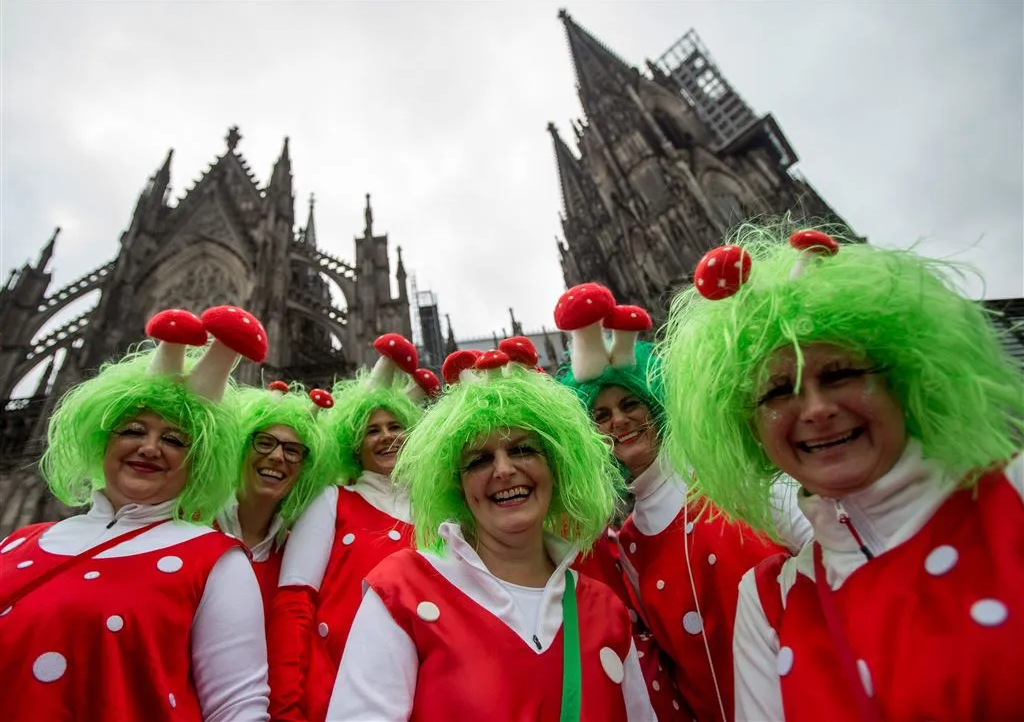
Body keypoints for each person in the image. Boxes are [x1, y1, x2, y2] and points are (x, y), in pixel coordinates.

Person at [660, 227, 1024, 721]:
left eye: (839, 374)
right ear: (751, 428)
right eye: (778, 391)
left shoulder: (1013, 498)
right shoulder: (770, 605)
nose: (816, 409)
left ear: (899, 377)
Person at [327, 349, 656, 720]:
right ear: (456, 486)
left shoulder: (604, 609)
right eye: (479, 459)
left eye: (523, 449)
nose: (504, 470)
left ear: (558, 466)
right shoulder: (401, 591)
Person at [0, 306, 271, 720]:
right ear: (100, 439)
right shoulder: (19, 542)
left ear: (199, 460)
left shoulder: (215, 560)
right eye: (132, 430)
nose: (149, 447)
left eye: (175, 439)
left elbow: (238, 707)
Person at [556, 287, 806, 721]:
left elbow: (825, 544)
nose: (618, 420)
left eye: (630, 403)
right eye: (600, 415)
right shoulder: (628, 544)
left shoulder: (727, 477)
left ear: (656, 405)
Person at [268, 334, 425, 722]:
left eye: (395, 426)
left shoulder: (435, 507)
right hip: (337, 690)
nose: (387, 436)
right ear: (355, 445)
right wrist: (287, 710)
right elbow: (294, 603)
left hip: (427, 688)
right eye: (373, 430)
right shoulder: (332, 500)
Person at [217, 381, 333, 610]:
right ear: (240, 450)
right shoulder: (194, 521)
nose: (277, 456)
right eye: (264, 443)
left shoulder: (298, 553)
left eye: (292, 451)